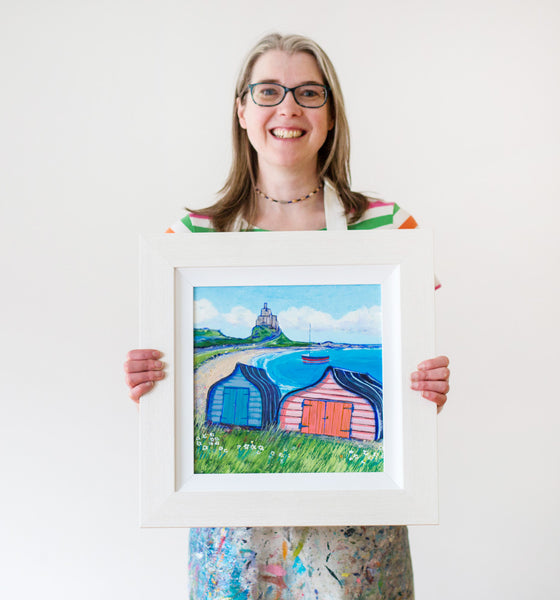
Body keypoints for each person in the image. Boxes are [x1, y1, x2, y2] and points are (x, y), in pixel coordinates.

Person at [124, 33, 450, 600]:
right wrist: (155, 381)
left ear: (330, 116)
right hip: (234, 531)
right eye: (269, 91)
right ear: (242, 111)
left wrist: (423, 390)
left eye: (308, 93)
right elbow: (174, 404)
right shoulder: (193, 239)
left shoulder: (389, 229)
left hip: (359, 532)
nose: (289, 108)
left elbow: (410, 374)